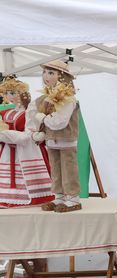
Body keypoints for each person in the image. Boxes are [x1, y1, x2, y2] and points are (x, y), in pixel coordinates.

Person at [27, 60, 81, 212]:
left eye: (51, 73)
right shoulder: (44, 98)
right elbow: (31, 113)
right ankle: (59, 196)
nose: (46, 76)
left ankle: (73, 198)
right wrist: (37, 128)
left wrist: (42, 118)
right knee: (55, 169)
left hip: (66, 139)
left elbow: (59, 121)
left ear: (62, 76)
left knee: (68, 168)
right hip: (51, 140)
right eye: (44, 72)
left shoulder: (67, 98)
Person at [0, 76, 53, 208]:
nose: (9, 96)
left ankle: (32, 196)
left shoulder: (29, 112)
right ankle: (7, 197)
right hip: (7, 150)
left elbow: (28, 135)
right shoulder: (6, 112)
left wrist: (6, 134)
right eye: (7, 93)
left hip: (25, 150)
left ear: (21, 94)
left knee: (25, 174)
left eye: (13, 93)